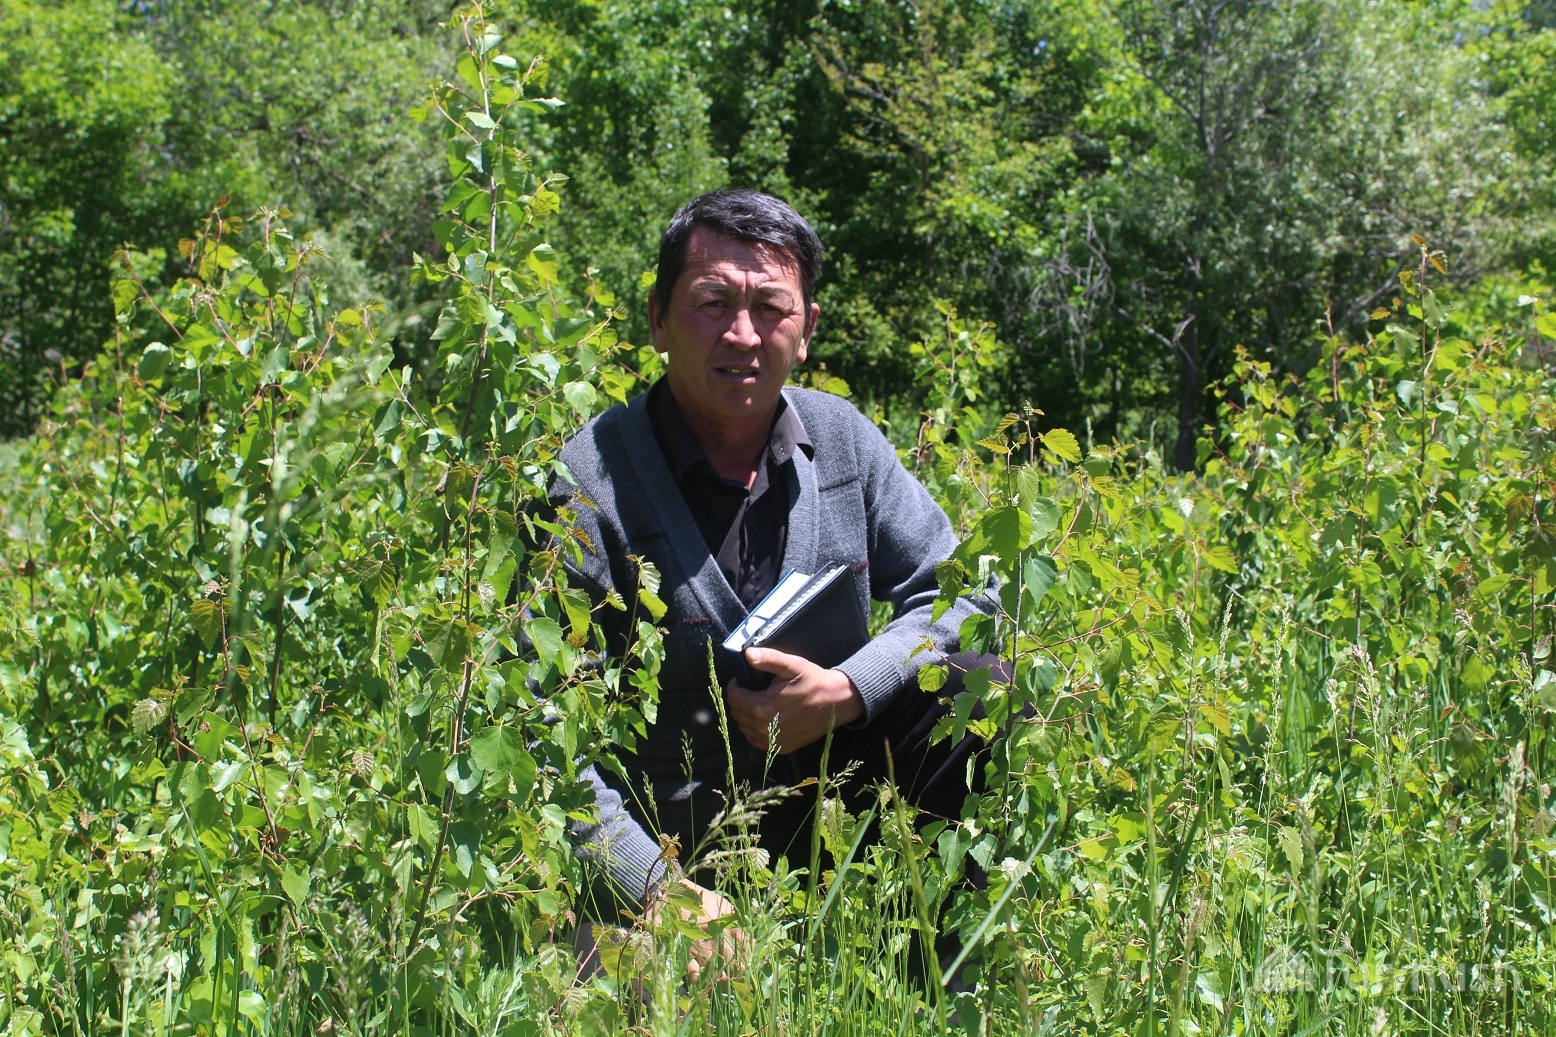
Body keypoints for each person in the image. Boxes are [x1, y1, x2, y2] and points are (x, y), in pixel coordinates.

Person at [550, 188, 998, 946]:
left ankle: (932, 968)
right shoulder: (588, 484)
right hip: (669, 850)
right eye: (712, 302)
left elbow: (968, 591)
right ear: (657, 319)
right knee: (626, 983)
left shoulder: (842, 440)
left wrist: (847, 691)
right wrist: (654, 891)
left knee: (981, 678)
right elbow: (534, 730)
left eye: (770, 308)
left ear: (808, 328)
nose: (742, 334)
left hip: (832, 817)